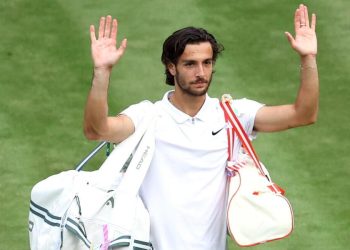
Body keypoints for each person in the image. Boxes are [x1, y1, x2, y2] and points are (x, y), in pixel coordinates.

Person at [83, 4, 318, 250]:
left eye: (207, 63)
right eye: (190, 64)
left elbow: (303, 114)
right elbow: (96, 130)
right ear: (171, 67)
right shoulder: (147, 117)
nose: (201, 72)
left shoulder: (233, 115)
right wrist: (102, 71)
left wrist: (308, 58)